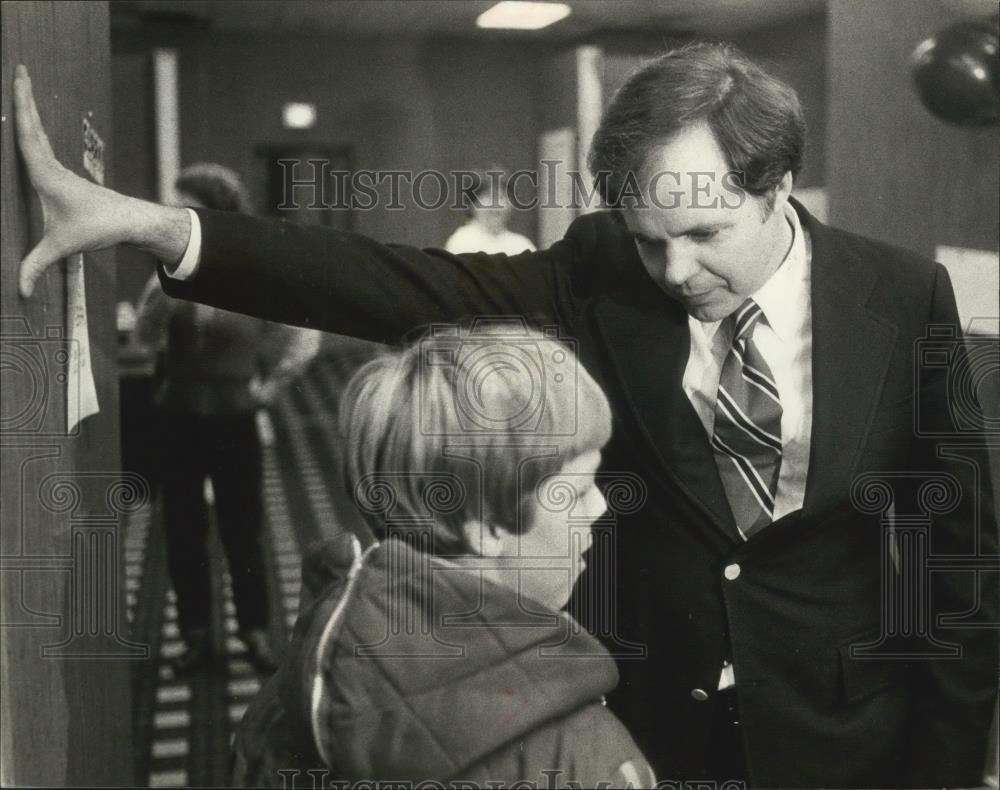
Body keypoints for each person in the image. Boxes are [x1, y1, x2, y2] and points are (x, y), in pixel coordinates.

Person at [13, 41, 998, 787]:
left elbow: (957, 558)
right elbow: (397, 283)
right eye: (651, 239)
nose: (674, 269)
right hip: (636, 719)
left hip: (843, 737)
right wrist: (158, 229)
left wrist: (949, 766)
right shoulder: (602, 272)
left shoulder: (901, 296)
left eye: (702, 234)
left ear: (778, 186)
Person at [230, 325, 656, 788]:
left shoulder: (298, 688)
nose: (601, 506)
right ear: (488, 525)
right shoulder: (581, 757)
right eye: (575, 493)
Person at [134, 163, 320, 674]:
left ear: (214, 212)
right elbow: (144, 339)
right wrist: (161, 304)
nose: (174, 214)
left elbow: (301, 337)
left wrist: (270, 385)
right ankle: (195, 638)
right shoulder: (171, 269)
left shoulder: (252, 272)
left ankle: (255, 634)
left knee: (242, 530)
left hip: (235, 416)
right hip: (178, 417)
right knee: (183, 529)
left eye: (185, 204)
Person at [444, 167, 536, 255]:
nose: (495, 206)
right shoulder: (461, 242)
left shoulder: (522, 245)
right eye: (488, 197)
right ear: (472, 204)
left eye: (501, 197)